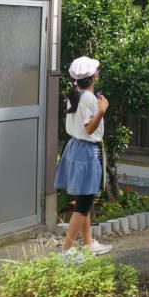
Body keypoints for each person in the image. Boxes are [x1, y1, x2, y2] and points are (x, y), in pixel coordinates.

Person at [55, 56, 112, 258]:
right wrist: (102, 111)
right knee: (84, 203)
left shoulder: (73, 94)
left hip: (75, 147)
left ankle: (88, 243)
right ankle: (67, 250)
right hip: (87, 150)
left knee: (84, 198)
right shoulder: (89, 99)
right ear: (94, 75)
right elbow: (89, 128)